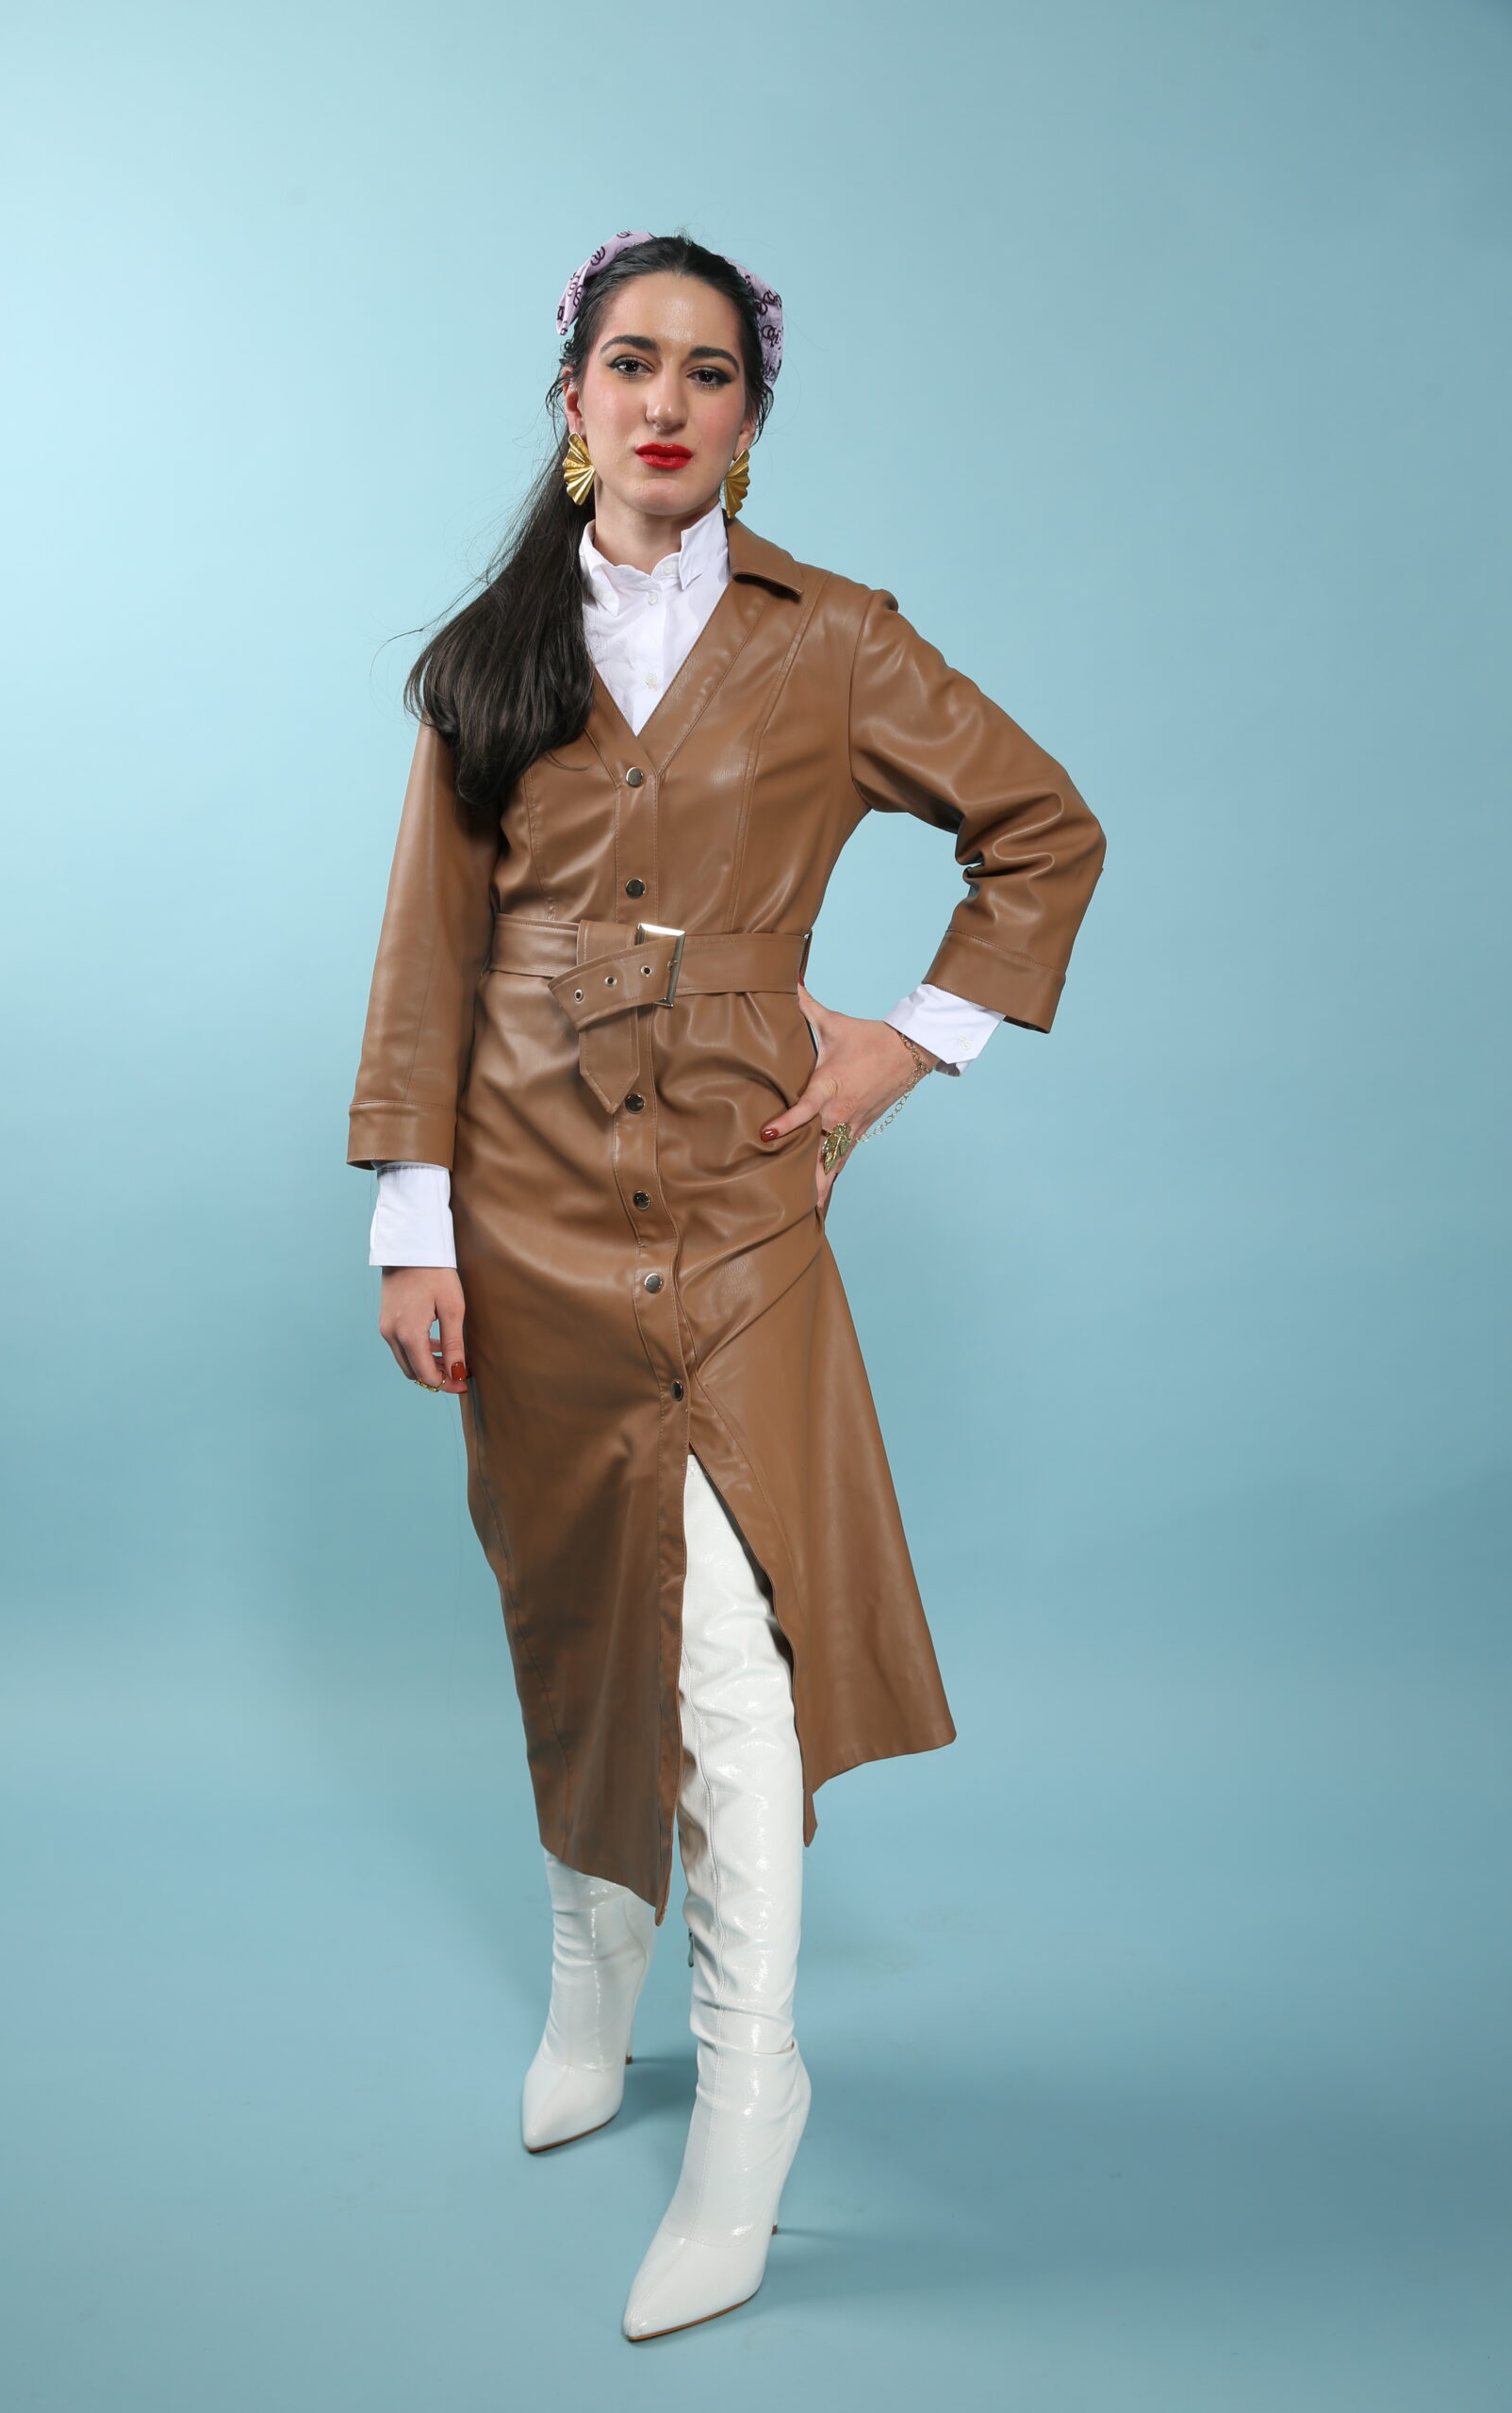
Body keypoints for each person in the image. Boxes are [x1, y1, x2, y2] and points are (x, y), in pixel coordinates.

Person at [345, 228, 1106, 2340]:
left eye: (706, 370)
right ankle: (589, 1960)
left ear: (749, 421)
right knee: (576, 1613)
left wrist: (906, 1042)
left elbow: (1040, 829)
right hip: (522, 1203)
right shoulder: (490, 658)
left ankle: (750, 2086)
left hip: (744, 1199)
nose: (663, 399)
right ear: (572, 400)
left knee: (734, 1660)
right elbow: (428, 945)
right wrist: (414, 1217)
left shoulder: (833, 636)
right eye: (629, 361)